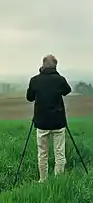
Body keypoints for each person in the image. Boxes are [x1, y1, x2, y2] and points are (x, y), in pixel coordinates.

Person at [26, 54, 72, 183]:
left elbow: (29, 98)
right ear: (55, 66)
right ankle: (58, 180)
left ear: (42, 65)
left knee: (42, 153)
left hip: (41, 122)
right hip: (58, 122)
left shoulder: (34, 80)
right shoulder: (60, 79)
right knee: (59, 153)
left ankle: (43, 180)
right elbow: (67, 91)